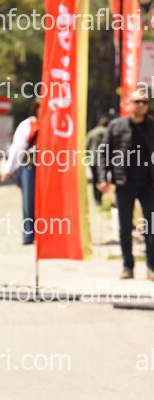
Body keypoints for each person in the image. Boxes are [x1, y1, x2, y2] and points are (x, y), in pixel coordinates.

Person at [97, 89, 154, 280]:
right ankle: (127, 266)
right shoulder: (116, 126)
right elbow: (103, 153)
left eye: (145, 102)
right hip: (124, 183)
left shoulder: (152, 125)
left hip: (149, 184)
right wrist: (102, 177)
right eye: (138, 101)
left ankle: (151, 267)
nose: (142, 105)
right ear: (130, 103)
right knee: (124, 228)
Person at [0, 99, 41, 245]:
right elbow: (17, 148)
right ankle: (28, 234)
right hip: (30, 166)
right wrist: (8, 169)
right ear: (35, 109)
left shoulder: (53, 124)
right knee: (29, 202)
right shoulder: (27, 125)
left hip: (49, 168)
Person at [86, 116, 110, 206]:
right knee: (102, 179)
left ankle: (96, 199)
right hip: (104, 160)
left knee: (95, 179)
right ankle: (100, 197)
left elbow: (86, 145)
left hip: (93, 159)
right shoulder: (107, 132)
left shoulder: (92, 132)